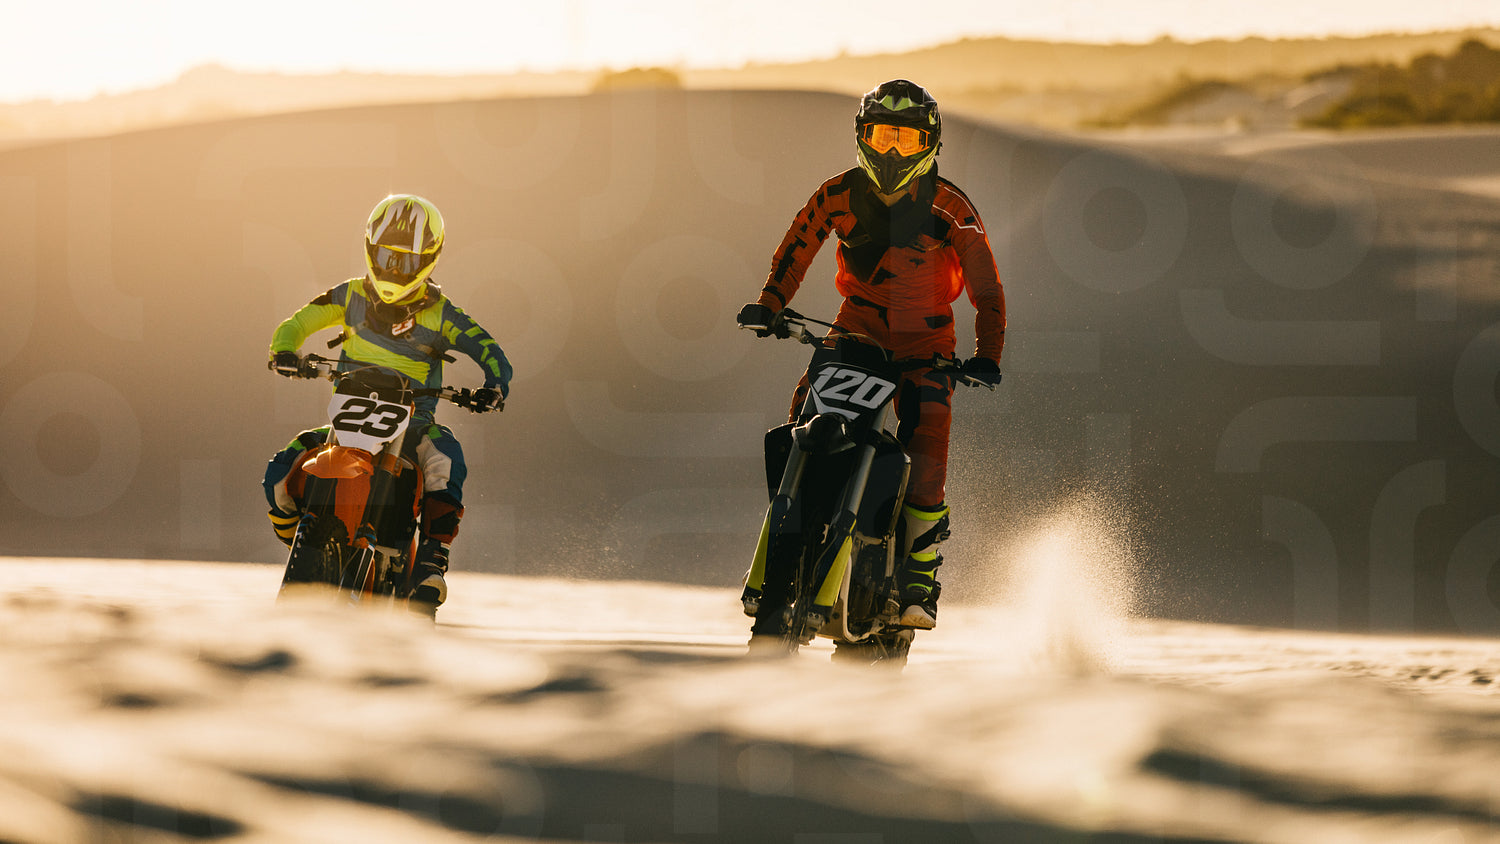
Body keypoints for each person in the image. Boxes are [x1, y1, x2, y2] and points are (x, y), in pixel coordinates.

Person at [736, 80, 1006, 629]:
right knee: (802, 414)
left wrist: (988, 353)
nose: (893, 152)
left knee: (928, 440)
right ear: (862, 136)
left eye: (907, 141)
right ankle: (790, 538)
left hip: (927, 344)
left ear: (930, 144)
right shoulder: (837, 194)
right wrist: (769, 304)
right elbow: (797, 246)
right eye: (884, 136)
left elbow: (987, 286)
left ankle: (918, 583)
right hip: (854, 329)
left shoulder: (950, 207)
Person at [263, 194, 512, 609]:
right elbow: (297, 323)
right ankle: (305, 545)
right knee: (278, 473)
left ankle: (432, 560)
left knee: (445, 458)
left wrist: (495, 385)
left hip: (414, 425)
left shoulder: (443, 314)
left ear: (429, 260)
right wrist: (284, 351)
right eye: (386, 257)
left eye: (406, 261)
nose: (394, 269)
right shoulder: (349, 295)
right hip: (346, 423)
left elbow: (490, 351)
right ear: (369, 249)